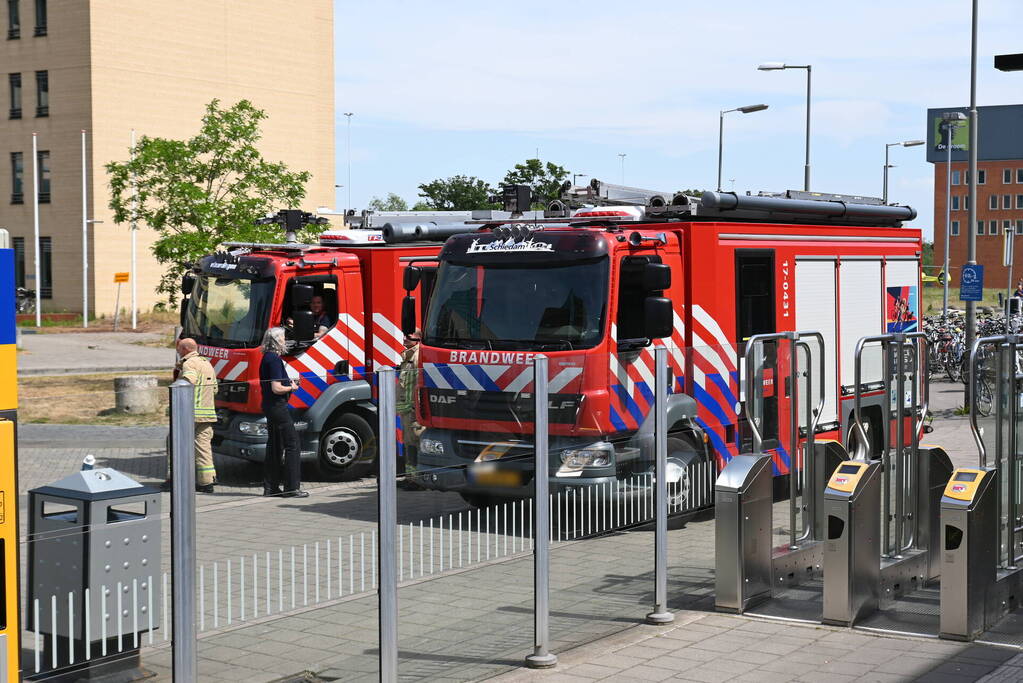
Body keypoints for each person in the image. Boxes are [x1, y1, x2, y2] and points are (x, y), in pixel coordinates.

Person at [161, 338, 219, 493]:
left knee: (174, 444)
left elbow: (186, 384)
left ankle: (173, 479)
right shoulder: (207, 363)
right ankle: (207, 482)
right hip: (207, 414)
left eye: (179, 348)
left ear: (186, 349)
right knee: (203, 447)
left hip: (189, 414)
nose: (178, 351)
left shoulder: (189, 364)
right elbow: (215, 390)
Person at [260, 327, 308, 498]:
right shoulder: (274, 359)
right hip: (277, 406)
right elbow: (276, 388)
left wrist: (288, 382)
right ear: (276, 340)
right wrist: (292, 387)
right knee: (292, 443)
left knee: (274, 446)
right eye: (283, 337)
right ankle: (291, 487)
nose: (285, 340)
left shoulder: (267, 357)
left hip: (269, 406)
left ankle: (271, 487)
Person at [396, 328, 424, 489]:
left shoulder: (418, 356)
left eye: (409, 336)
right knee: (408, 443)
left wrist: (417, 406)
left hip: (414, 409)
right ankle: (410, 477)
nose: (405, 338)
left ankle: (418, 479)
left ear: (418, 339)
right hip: (407, 408)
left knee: (416, 443)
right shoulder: (408, 356)